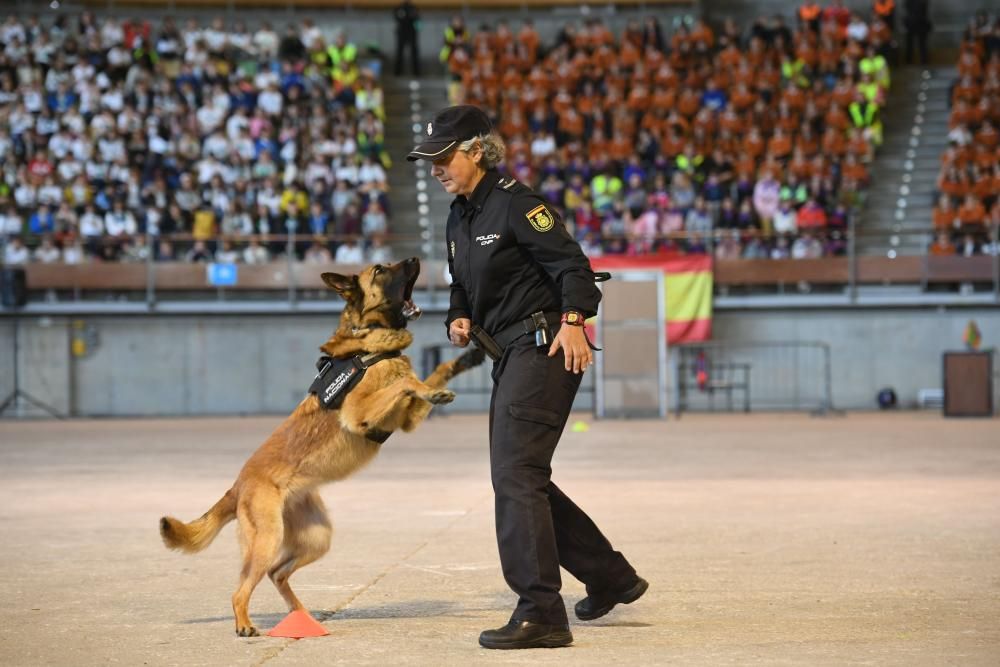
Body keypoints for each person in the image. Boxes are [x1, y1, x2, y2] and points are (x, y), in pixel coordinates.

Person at [407, 105, 646, 651]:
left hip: (545, 346)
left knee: (514, 476)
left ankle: (541, 611)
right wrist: (458, 314)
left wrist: (574, 321)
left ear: (475, 151)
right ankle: (609, 576)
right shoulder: (459, 215)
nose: (436, 168)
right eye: (430, 160)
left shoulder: (519, 204)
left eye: (444, 157)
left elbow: (574, 270)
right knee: (522, 476)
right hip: (508, 354)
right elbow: (461, 283)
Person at [393, 1, 421, 77]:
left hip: (412, 33)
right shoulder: (399, 8)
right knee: (399, 52)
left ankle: (416, 72)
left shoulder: (413, 8)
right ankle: (398, 72)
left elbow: (418, 20)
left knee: (414, 53)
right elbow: (396, 17)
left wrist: (418, 29)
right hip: (402, 32)